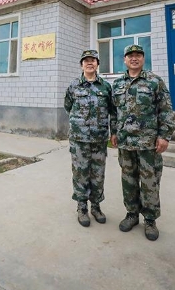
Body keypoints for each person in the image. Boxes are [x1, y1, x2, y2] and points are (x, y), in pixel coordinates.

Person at [110, 44, 175, 241]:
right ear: (125, 60)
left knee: (150, 182)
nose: (134, 58)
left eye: (138, 55)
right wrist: (114, 132)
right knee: (128, 180)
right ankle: (131, 214)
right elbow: (114, 112)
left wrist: (164, 135)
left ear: (143, 58)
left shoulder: (154, 81)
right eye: (130, 55)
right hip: (125, 142)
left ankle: (150, 219)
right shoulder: (118, 84)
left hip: (148, 143)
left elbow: (166, 109)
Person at [64, 49, 116, 227]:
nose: (89, 63)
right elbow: (68, 106)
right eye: (86, 60)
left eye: (93, 60)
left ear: (97, 64)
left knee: (98, 174)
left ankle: (96, 206)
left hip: (99, 140)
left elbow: (112, 111)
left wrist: (113, 132)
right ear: (81, 65)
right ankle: (81, 207)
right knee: (80, 174)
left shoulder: (105, 87)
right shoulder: (74, 86)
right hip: (79, 140)